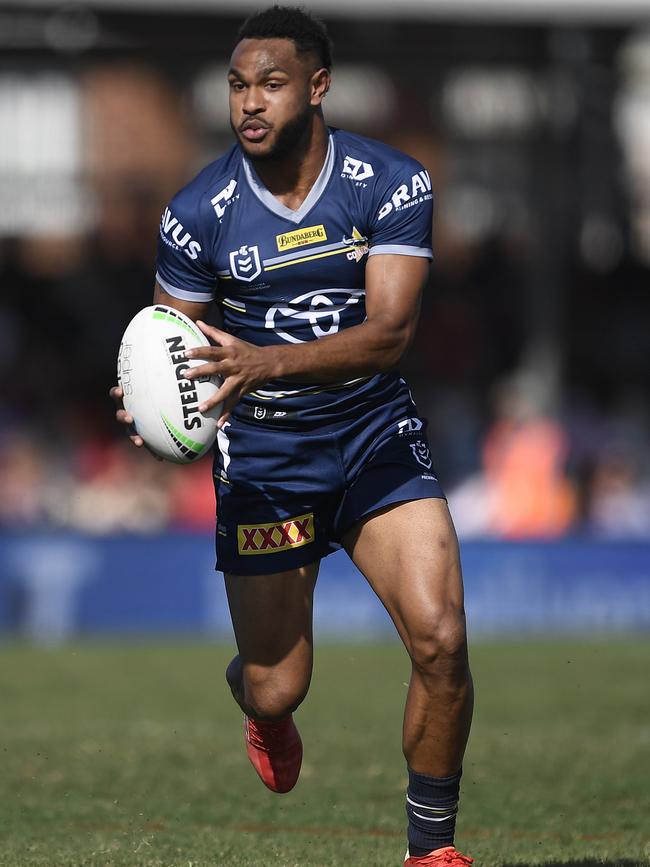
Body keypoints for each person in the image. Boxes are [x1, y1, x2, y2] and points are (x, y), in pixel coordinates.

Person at [111, 7, 474, 865]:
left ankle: (433, 852)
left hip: (373, 435)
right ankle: (259, 708)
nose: (250, 102)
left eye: (270, 83)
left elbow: (389, 334)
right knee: (280, 685)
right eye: (239, 84)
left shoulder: (389, 181)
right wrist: (148, 401)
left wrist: (263, 362)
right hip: (267, 460)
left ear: (317, 87)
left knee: (443, 638)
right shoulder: (198, 213)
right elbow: (171, 340)